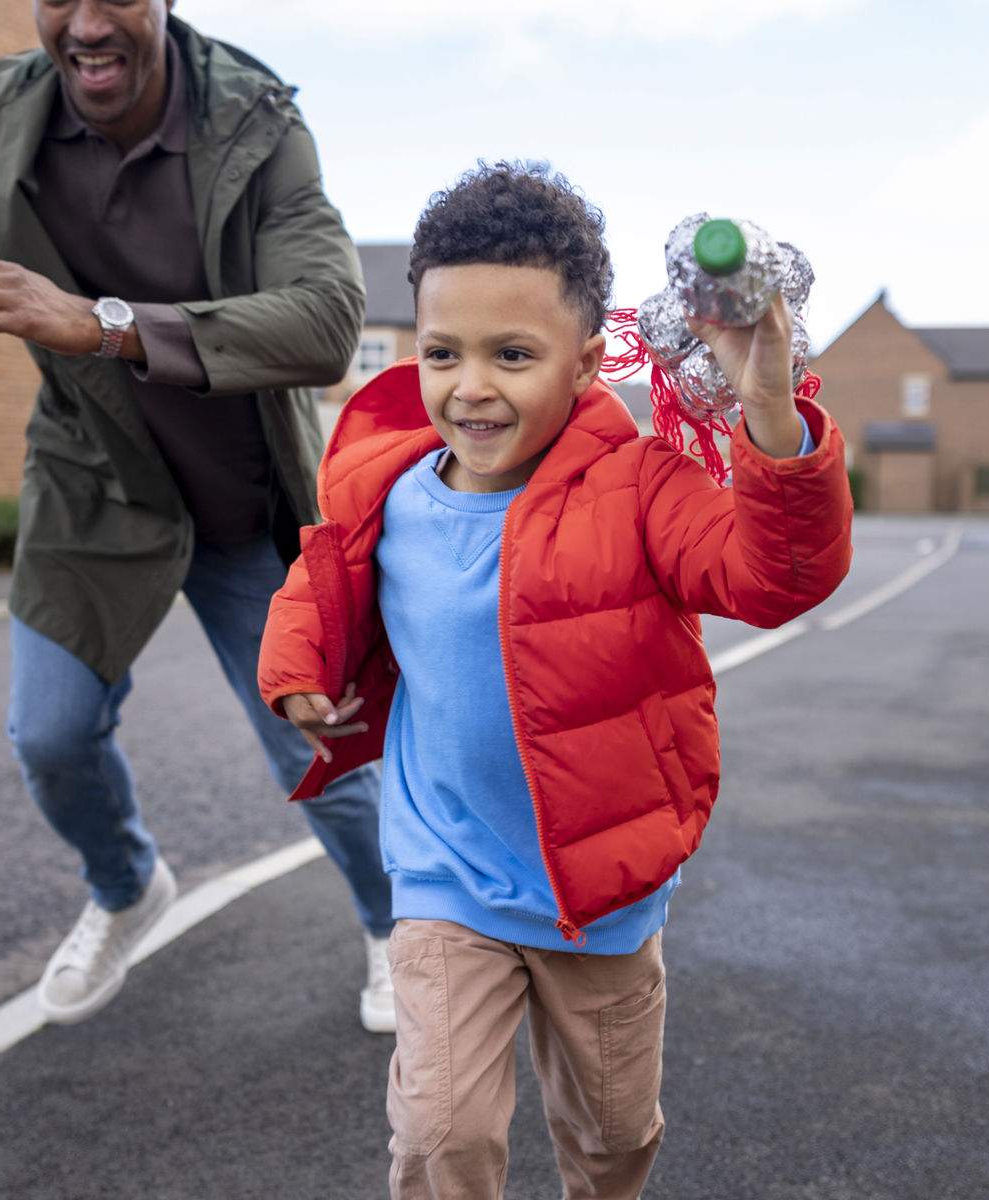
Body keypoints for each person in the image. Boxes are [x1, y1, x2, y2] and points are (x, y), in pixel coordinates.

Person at [258, 162, 854, 1196]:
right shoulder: (386, 486)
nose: (470, 385)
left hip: (601, 890)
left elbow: (775, 578)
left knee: (611, 1139)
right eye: (442, 352)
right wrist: (296, 673)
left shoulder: (642, 488)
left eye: (513, 354)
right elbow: (321, 580)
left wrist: (767, 405)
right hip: (446, 875)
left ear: (585, 364)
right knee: (440, 1136)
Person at [0, 0, 395, 1032]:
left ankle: (395, 929)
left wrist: (98, 323)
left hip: (247, 497)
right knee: (51, 736)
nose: (85, 23)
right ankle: (125, 887)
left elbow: (329, 321)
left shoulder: (255, 121)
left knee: (321, 750)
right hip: (96, 488)